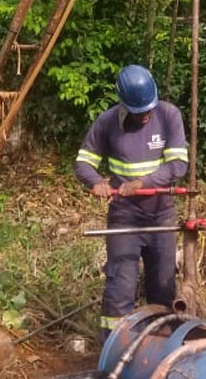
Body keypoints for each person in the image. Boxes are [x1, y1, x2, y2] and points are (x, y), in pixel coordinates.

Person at [75, 65, 188, 339]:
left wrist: (141, 183)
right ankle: (114, 349)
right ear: (124, 105)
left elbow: (178, 165)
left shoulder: (169, 115)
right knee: (120, 287)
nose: (145, 115)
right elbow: (83, 163)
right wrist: (96, 182)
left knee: (162, 288)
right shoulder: (107, 122)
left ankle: (159, 348)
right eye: (139, 112)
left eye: (149, 109)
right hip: (124, 218)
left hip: (161, 217)